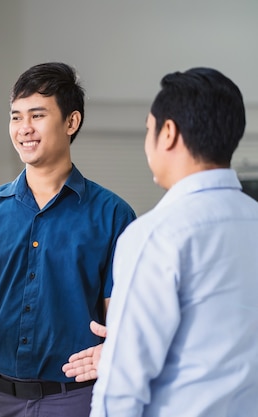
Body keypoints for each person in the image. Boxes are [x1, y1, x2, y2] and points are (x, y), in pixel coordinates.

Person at [0, 62, 136, 417]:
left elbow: (119, 316)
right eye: (15, 117)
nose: (24, 128)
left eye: (37, 115)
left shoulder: (112, 215)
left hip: (75, 399)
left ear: (71, 122)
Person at [64, 67, 258, 416]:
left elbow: (123, 389)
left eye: (148, 129)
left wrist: (119, 354)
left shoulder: (156, 236)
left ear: (168, 133)